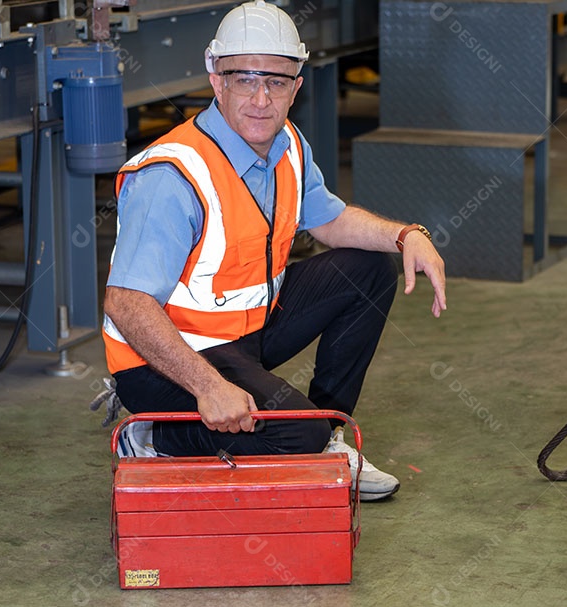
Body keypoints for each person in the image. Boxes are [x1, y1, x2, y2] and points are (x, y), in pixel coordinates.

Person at [101, 0, 446, 502]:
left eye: (277, 82)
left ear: (296, 87)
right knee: (296, 435)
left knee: (368, 270)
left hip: (245, 333)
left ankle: (328, 436)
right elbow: (125, 303)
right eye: (245, 79)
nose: (261, 99)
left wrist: (406, 235)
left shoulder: (286, 144)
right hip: (164, 360)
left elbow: (329, 219)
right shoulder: (173, 177)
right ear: (216, 79)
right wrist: (207, 386)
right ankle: (156, 435)